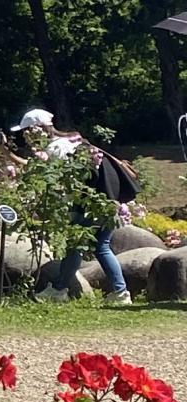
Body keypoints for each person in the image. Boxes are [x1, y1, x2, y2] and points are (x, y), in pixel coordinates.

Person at [16, 108, 138, 306]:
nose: (25, 136)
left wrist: (7, 153)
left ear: (37, 129)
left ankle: (59, 289)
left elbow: (42, 172)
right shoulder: (73, 140)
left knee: (75, 245)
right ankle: (121, 292)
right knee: (101, 247)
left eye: (26, 131)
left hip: (86, 203)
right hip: (107, 199)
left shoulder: (56, 148)